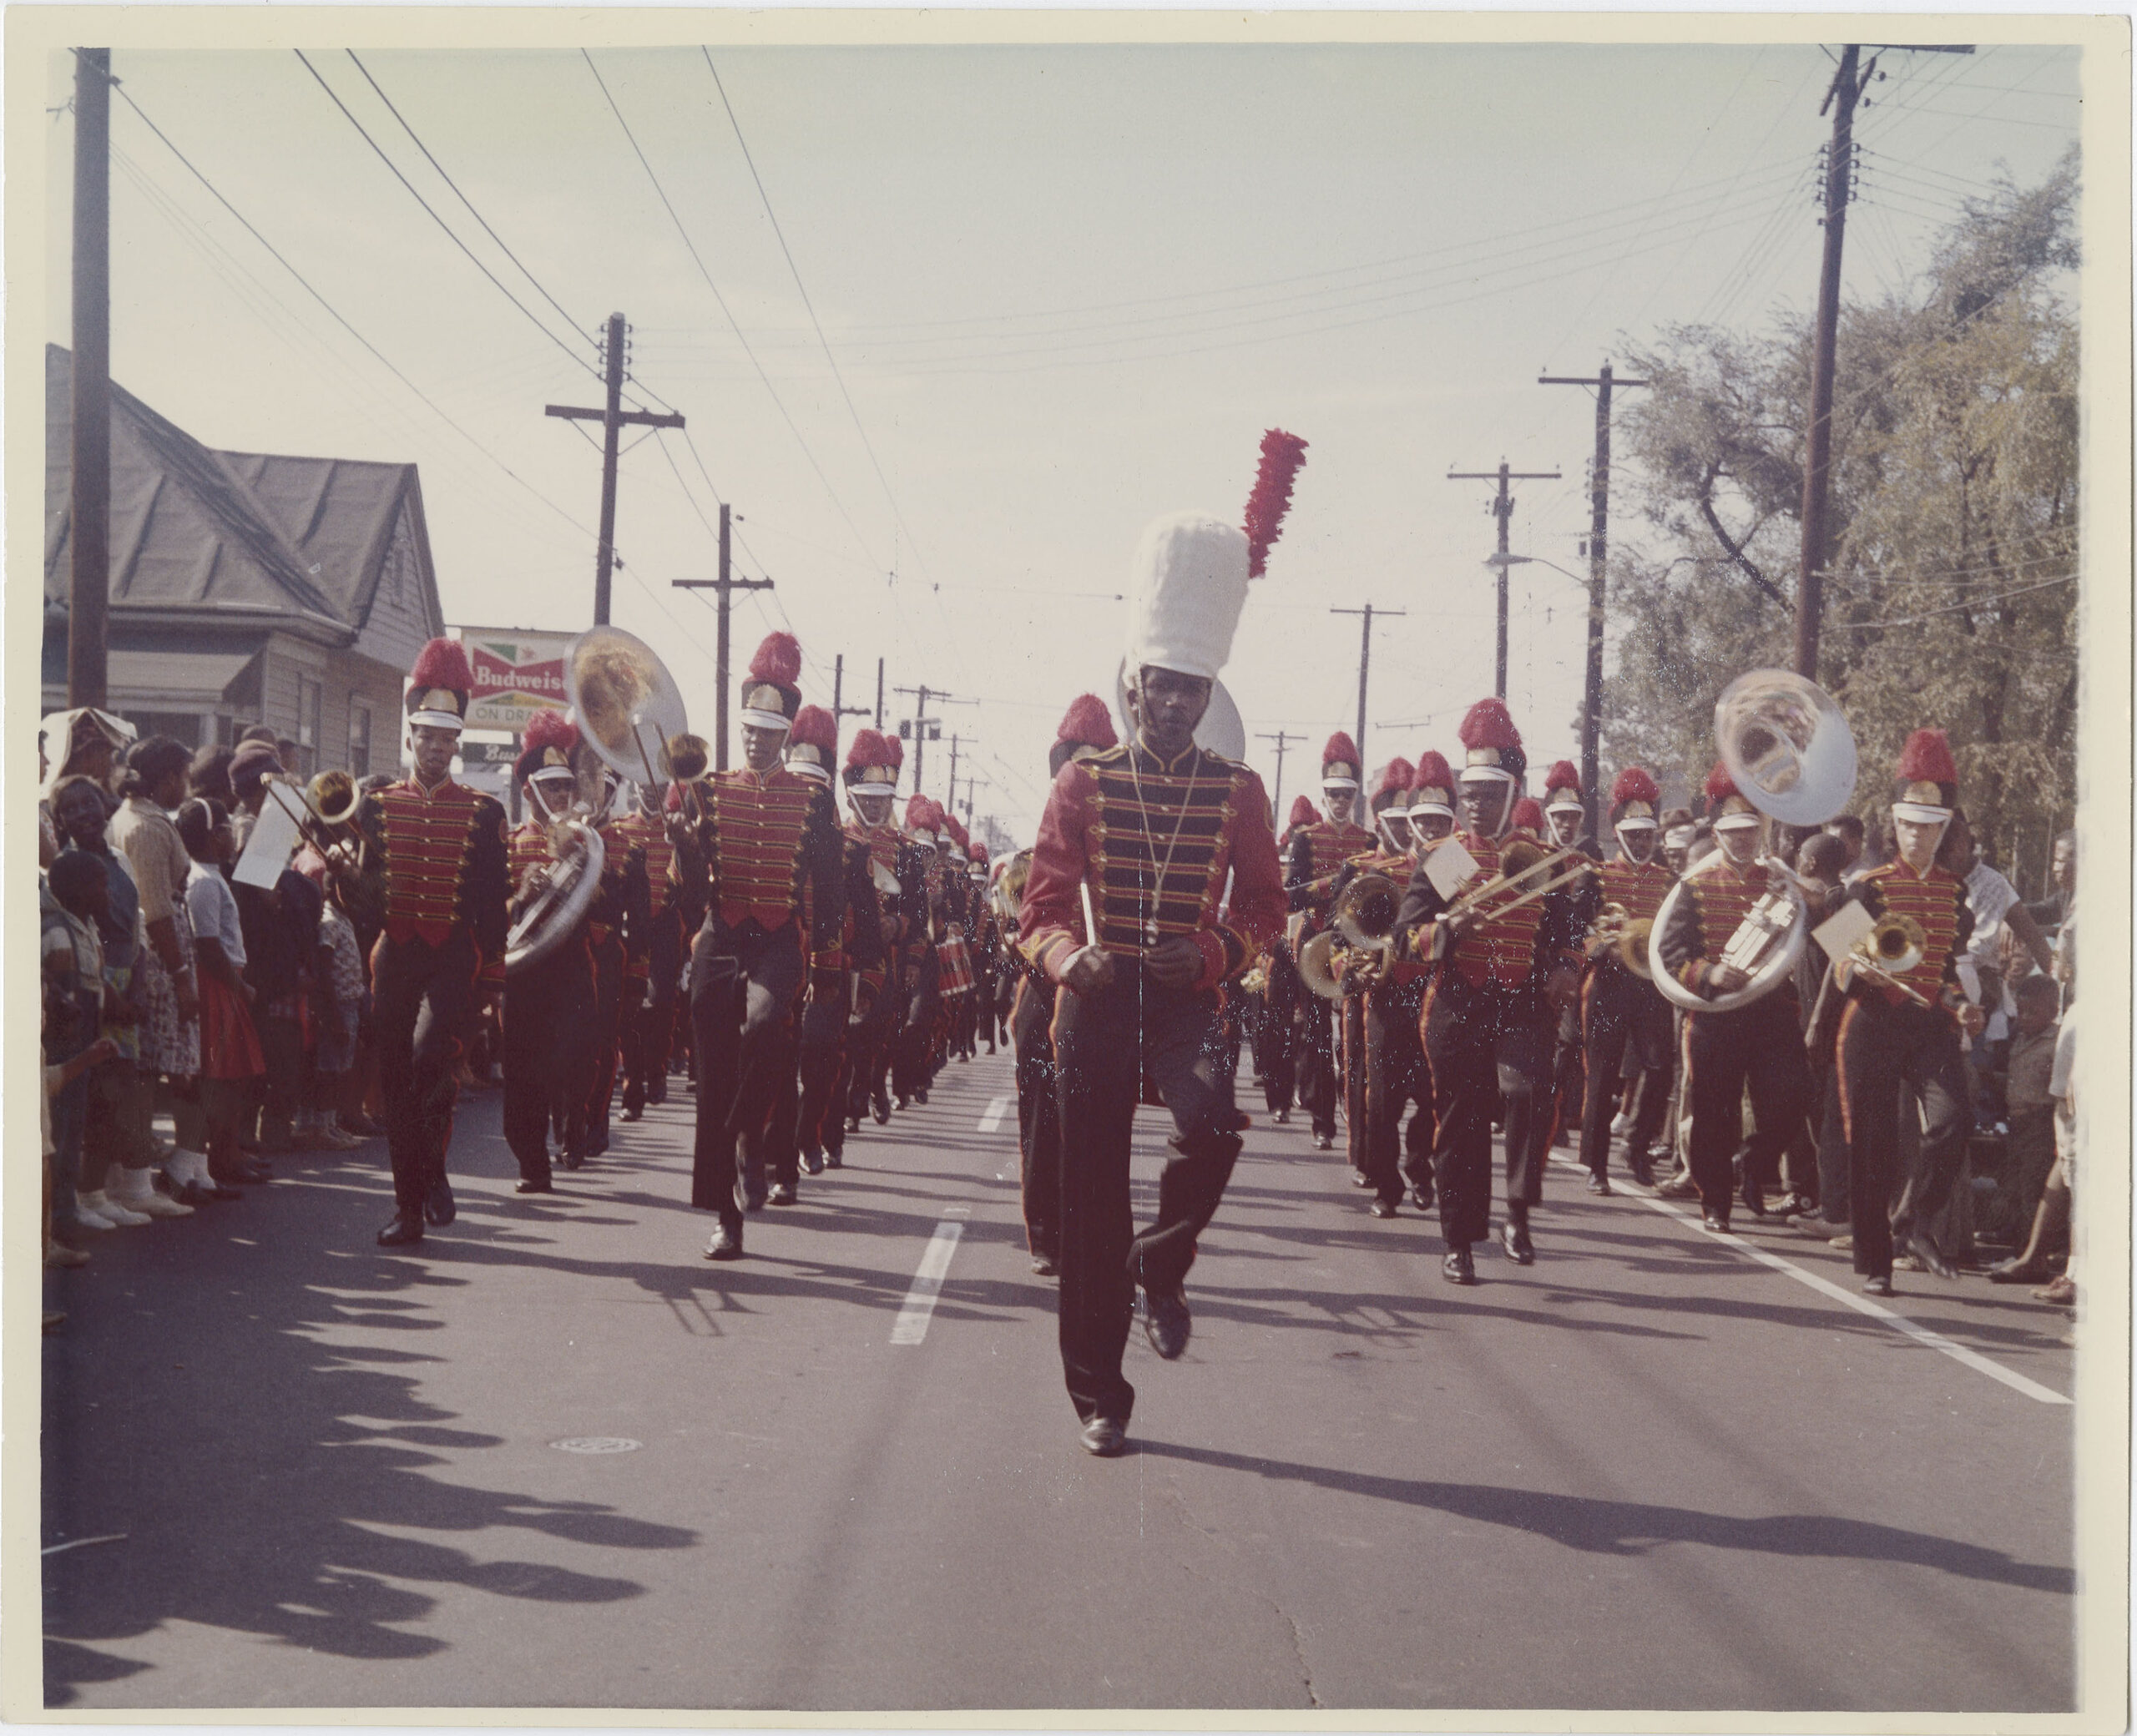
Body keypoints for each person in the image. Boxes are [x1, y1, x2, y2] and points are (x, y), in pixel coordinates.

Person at [1021, 432, 1299, 1456]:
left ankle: (1162, 1266)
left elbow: (1269, 906)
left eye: (1191, 687)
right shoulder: (1081, 782)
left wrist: (1221, 951)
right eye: (1160, 684)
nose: (1174, 702)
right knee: (1088, 1198)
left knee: (1217, 1125)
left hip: (1190, 996)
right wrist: (1066, 961)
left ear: (1206, 691)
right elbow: (1041, 910)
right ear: (1133, 683)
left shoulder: (1241, 791)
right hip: (1096, 996)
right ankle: (1098, 1393)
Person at [1392, 698, 1587, 1283]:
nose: (1475, 805)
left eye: (1488, 793)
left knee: (1528, 1093)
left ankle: (1519, 1212)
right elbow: (1403, 938)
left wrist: (1566, 966)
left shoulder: (1535, 858)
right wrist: (1443, 933)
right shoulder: (1451, 858)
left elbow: (1566, 933)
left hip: (1523, 1002)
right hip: (1460, 1003)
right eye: (1468, 793)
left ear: (1512, 792)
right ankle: (1459, 1241)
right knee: (1462, 1120)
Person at [336, 638, 510, 1247]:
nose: (437, 750)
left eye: (447, 740)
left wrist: (492, 979)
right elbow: (366, 909)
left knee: (429, 1056)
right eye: (427, 739)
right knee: (397, 1081)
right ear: (410, 738)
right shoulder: (376, 811)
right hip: (398, 957)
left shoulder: (486, 814)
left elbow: (494, 905)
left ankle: (431, 1176)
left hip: (454, 958)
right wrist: (343, 876)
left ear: (457, 744)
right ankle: (410, 1205)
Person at [681, 632, 845, 1259]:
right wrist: (687, 845)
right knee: (715, 1074)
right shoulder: (713, 792)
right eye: (748, 728)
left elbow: (828, 892)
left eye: (767, 730)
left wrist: (828, 966)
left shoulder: (813, 801)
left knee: (767, 1022)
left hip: (777, 940)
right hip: (722, 936)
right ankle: (726, 1216)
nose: (755, 739)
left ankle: (752, 1136)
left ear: (785, 734)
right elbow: (690, 891)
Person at [1829, 729, 1979, 1295]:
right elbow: (1837, 957)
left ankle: (1916, 1222)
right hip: (1871, 1023)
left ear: (1944, 831)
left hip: (1928, 1027)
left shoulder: (1955, 893)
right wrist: (1855, 969)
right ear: (1894, 826)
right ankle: (1875, 1263)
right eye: (1910, 825)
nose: (1919, 836)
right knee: (1872, 1145)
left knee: (1952, 1120)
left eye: (1930, 827)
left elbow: (1944, 976)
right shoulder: (1866, 887)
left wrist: (1964, 1007)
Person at [1655, 763, 1811, 1234]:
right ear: (1718, 832)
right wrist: (1709, 973)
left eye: (1749, 831)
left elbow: (1820, 928)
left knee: (1792, 1100)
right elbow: (1671, 952)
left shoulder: (1781, 882)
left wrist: (1818, 897)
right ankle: (1715, 1203)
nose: (1742, 840)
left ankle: (1754, 1159)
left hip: (1771, 1013)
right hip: (1716, 1017)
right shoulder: (1694, 887)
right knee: (1712, 1114)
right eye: (1732, 831)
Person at [781, 705, 885, 1188]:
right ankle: (779, 1153)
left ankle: (809, 1138)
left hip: (829, 968)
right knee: (776, 1058)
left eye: (812, 782)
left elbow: (864, 923)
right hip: (777, 961)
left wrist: (867, 982)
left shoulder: (851, 848)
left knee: (821, 1060)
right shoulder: (767, 833)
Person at [500, 712, 599, 1194]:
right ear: (530, 792)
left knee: (576, 1054)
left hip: (573, 967)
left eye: (566, 786)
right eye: (552, 787)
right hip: (524, 977)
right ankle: (532, 1163)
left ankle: (574, 1120)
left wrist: (579, 868)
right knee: (523, 1072)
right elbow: (493, 914)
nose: (563, 795)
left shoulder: (583, 843)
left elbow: (607, 905)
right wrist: (520, 895)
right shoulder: (509, 847)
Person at [104, 736, 201, 1219]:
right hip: (159, 957)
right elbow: (157, 910)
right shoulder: (144, 827)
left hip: (156, 951)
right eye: (184, 776)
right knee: (147, 1067)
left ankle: (133, 1177)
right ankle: (136, 1182)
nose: (187, 785)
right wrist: (182, 976)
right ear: (166, 779)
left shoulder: (143, 819)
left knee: (147, 1065)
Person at [1335, 758, 1432, 1219]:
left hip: (1433, 996)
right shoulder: (1359, 870)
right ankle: (1387, 1185)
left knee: (1434, 1097)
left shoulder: (1446, 864)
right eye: (1394, 822)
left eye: (1409, 820)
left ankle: (1420, 1166)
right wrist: (1352, 970)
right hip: (1386, 996)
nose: (1405, 829)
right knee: (1382, 1098)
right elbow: (1339, 939)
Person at [1576, 767, 1675, 1193]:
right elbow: (1578, 930)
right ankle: (1596, 1166)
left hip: (1651, 988)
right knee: (1601, 1075)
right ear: (1618, 834)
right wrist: (1602, 945)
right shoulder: (1595, 876)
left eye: (1646, 835)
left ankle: (1636, 1146)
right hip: (1610, 985)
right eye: (1632, 835)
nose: (1639, 842)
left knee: (1660, 1068)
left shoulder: (1669, 881)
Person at [1286, 733, 1374, 1152]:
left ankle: (1350, 1101)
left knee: (1354, 1033)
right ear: (1325, 795)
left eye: (1346, 795)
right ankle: (1323, 1119)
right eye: (1333, 794)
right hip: (1319, 941)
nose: (1340, 801)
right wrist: (1329, 884)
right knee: (1319, 1033)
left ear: (1355, 796)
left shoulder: (1368, 841)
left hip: (1356, 944)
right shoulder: (1306, 838)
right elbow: (1292, 894)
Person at [839, 729, 927, 1139]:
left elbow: (917, 911)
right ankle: (848, 1100)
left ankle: (864, 1090)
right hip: (839, 950)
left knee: (873, 1030)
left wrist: (899, 926)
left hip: (884, 958)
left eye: (883, 797)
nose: (875, 803)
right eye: (869, 794)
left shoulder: (906, 850)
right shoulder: (835, 840)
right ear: (853, 792)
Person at [174, 798, 262, 1201]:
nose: (232, 834)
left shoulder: (211, 875)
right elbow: (207, 943)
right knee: (221, 1078)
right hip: (217, 984)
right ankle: (217, 1158)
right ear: (213, 836)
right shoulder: (204, 882)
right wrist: (238, 986)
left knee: (233, 1076)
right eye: (226, 827)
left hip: (225, 982)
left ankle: (226, 1155)